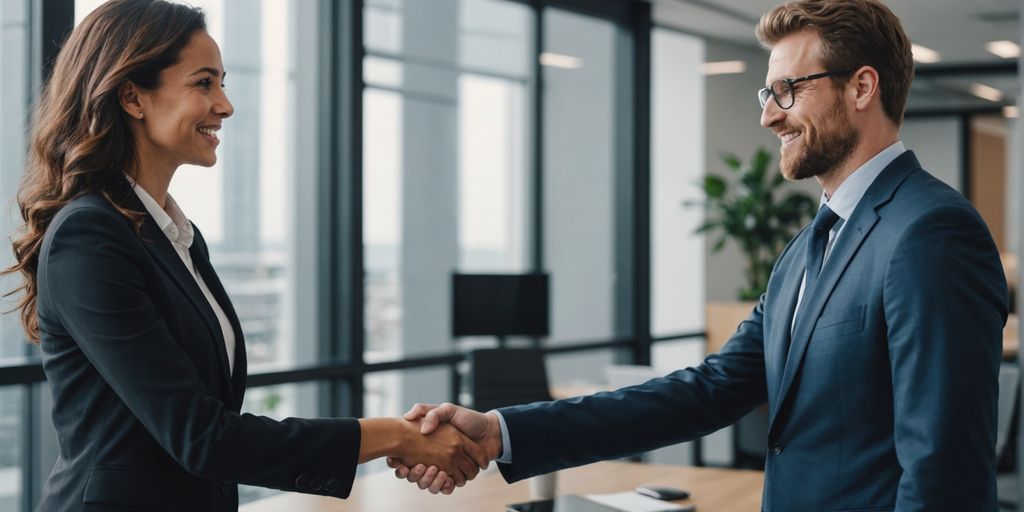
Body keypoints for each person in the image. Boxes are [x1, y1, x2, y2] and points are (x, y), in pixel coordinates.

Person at [389, 0, 1009, 509]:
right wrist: (501, 432)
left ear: (862, 87)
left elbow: (945, 474)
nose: (769, 115)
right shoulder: (808, 248)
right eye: (767, 93)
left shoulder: (930, 232)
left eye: (788, 90)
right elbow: (708, 391)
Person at [4, 1, 487, 510]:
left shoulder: (175, 236)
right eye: (204, 83)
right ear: (132, 96)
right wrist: (394, 435)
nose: (226, 105)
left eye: (223, 83)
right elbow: (203, 436)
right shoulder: (90, 236)